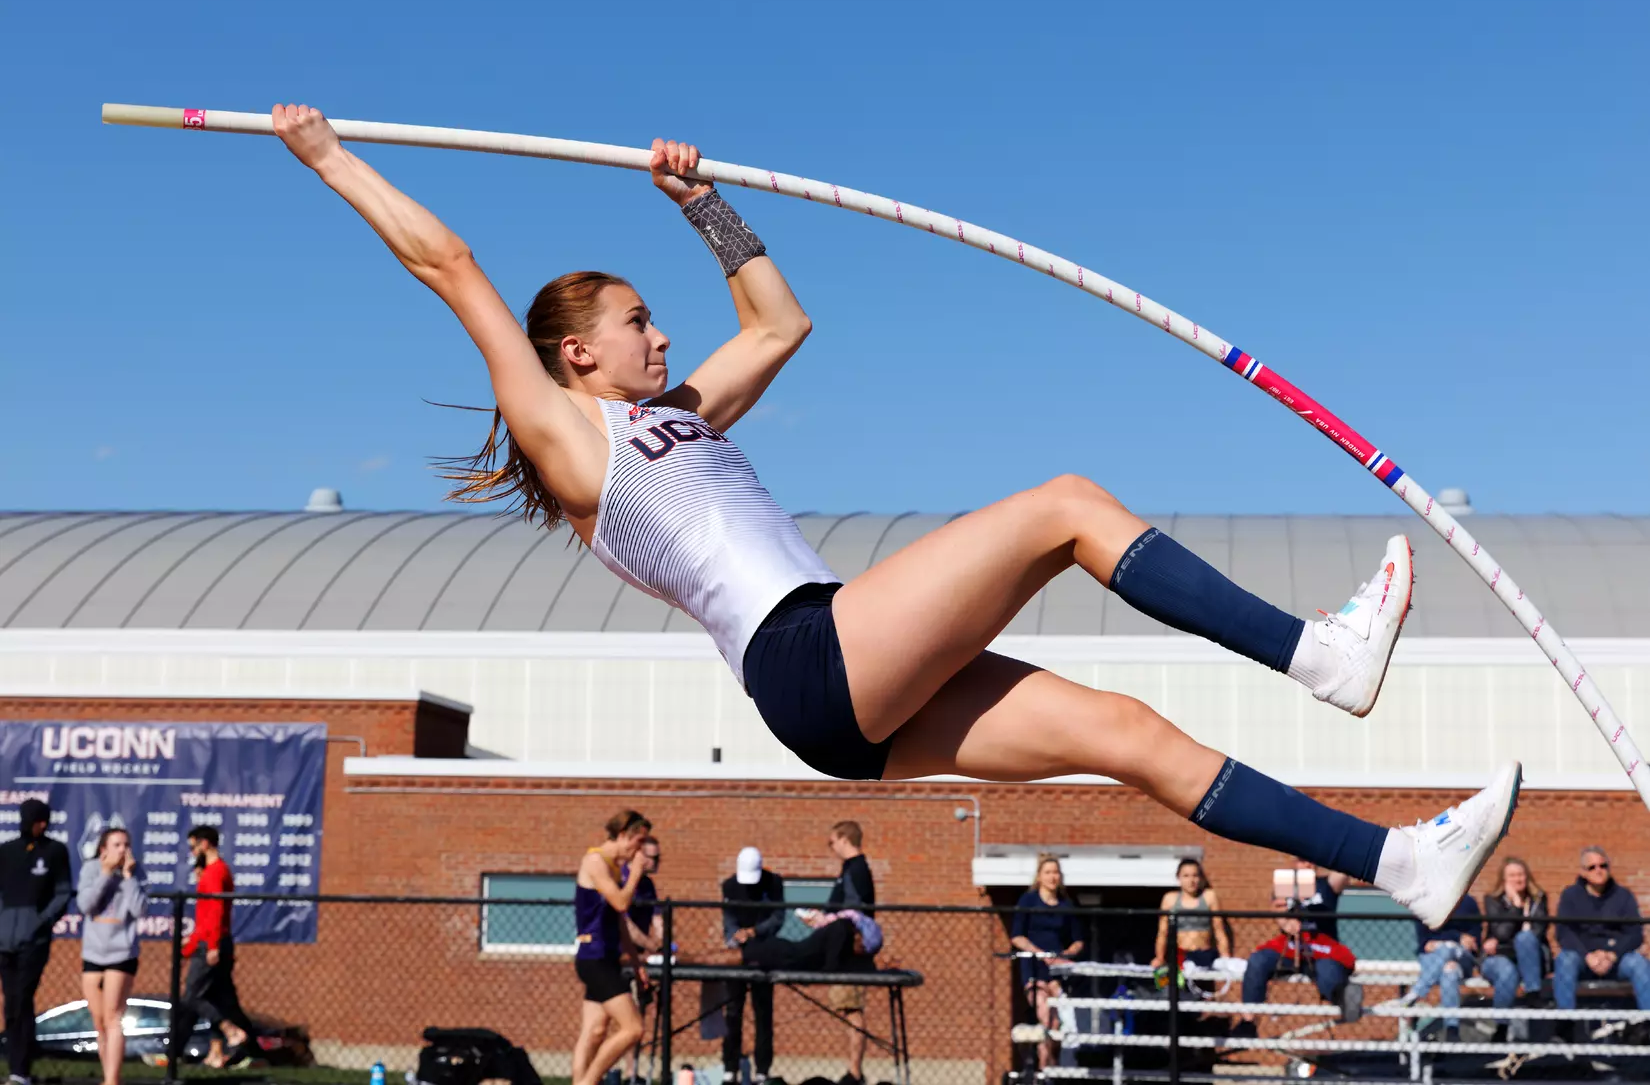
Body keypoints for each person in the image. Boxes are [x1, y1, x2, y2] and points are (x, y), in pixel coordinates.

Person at [265, 103, 1519, 933]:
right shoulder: (573, 438)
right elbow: (452, 264)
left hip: (836, 695)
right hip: (805, 651)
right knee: (1065, 507)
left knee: (1129, 732)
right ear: (577, 353)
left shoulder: (683, 417)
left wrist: (700, 209)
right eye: (636, 320)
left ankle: (1398, 864)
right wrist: (326, 157)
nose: (658, 334)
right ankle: (1323, 654)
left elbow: (779, 323)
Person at [571, 811, 652, 1085]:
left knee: (594, 1031)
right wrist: (636, 875)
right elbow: (620, 902)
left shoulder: (615, 868)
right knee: (633, 1028)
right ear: (622, 835)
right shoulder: (596, 861)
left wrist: (636, 963)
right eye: (638, 842)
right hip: (592, 957)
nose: (639, 850)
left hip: (607, 957)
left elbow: (619, 922)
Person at [171, 826, 258, 1069]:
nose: (192, 852)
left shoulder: (217, 872)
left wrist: (212, 946)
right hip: (209, 940)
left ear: (205, 844)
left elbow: (217, 912)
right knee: (220, 998)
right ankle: (219, 1051)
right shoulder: (209, 872)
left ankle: (230, 1030)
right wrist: (190, 944)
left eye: (193, 846)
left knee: (193, 996)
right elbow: (205, 915)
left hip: (213, 943)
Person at [0, 799, 71, 1085]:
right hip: (5, 942)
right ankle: (17, 1065)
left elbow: (62, 893)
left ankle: (21, 1068)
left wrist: (40, 922)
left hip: (34, 942)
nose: (41, 825)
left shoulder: (55, 851)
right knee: (11, 1002)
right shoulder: (6, 851)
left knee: (22, 998)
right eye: (37, 820)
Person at [1552, 846, 1650, 1038]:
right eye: (1592, 867)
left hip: (1616, 959)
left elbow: (1634, 933)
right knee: (1565, 960)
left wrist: (1612, 954)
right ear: (1583, 872)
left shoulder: (1623, 896)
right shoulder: (1570, 896)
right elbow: (1564, 933)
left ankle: (1647, 1021)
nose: (1598, 870)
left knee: (1638, 963)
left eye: (1603, 865)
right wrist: (1588, 956)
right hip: (1583, 959)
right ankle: (1565, 1024)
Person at [1231, 898, 1359, 1040]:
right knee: (1258, 960)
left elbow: (1348, 960)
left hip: (1317, 948)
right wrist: (1285, 919)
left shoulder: (1321, 893)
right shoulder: (1285, 885)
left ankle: (1345, 999)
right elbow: (1276, 907)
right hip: (1290, 947)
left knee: (1328, 969)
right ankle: (1248, 1022)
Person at [78, 828, 147, 1085]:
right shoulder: (92, 870)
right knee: (99, 1021)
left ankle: (112, 1080)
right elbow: (86, 905)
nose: (123, 850)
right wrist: (106, 874)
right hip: (94, 952)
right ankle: (107, 1074)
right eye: (117, 844)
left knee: (113, 1015)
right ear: (103, 848)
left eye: (126, 844)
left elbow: (140, 910)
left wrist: (128, 877)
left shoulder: (136, 871)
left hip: (122, 952)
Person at [1009, 856, 1084, 1070]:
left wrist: (1065, 955)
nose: (1052, 877)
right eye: (1048, 872)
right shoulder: (1028, 901)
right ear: (1040, 876)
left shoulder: (1066, 905)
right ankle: (1044, 1070)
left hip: (1056, 971)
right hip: (1034, 968)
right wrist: (1040, 954)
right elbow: (1017, 937)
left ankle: (1052, 1065)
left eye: (1056, 872)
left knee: (1058, 1024)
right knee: (1046, 1017)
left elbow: (1078, 941)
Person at [721, 847, 786, 1085]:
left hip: (763, 953)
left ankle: (762, 1070)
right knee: (733, 1013)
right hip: (737, 954)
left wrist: (756, 932)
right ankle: (729, 1068)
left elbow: (778, 917)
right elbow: (727, 918)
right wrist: (735, 936)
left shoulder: (774, 883)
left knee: (763, 1012)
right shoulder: (729, 886)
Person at [816, 823, 875, 1085]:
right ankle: (853, 1071)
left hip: (850, 953)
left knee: (852, 1009)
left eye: (832, 842)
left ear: (844, 839)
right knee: (846, 1008)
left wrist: (827, 920)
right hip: (841, 948)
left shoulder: (857, 869)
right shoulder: (850, 870)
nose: (831, 848)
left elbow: (854, 912)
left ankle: (854, 1073)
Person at [1480, 856, 1550, 1038]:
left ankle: (1533, 993)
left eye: (1521, 875)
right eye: (1512, 876)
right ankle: (1501, 1027)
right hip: (1497, 960)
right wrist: (1517, 907)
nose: (1518, 879)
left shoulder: (1538, 899)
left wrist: (1503, 945)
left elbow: (1537, 933)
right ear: (1504, 880)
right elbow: (1501, 932)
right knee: (1507, 971)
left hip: (1530, 960)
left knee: (1525, 938)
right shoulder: (1493, 900)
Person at [1408, 895, 1481, 1043]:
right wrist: (1457, 937)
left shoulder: (1468, 902)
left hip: (1462, 958)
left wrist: (1445, 940)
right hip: (1432, 957)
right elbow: (1425, 942)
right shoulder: (1424, 901)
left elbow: (1473, 941)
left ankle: (1415, 994)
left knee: (1448, 952)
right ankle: (1452, 1029)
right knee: (1449, 968)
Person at [621, 836, 663, 1085]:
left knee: (638, 1017)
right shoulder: (623, 880)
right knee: (621, 1019)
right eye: (652, 856)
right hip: (618, 957)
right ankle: (613, 1073)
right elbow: (623, 923)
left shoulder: (648, 885)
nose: (657, 861)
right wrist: (651, 945)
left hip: (641, 957)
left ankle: (631, 1073)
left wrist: (662, 941)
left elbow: (657, 918)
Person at [1151, 858, 1231, 972]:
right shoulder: (1170, 899)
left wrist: (1225, 957)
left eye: (1195, 875)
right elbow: (1162, 933)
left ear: (1200, 878)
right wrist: (1159, 958)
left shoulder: (1209, 897)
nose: (1191, 880)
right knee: (1175, 985)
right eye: (1186, 876)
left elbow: (1219, 930)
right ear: (1179, 878)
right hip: (1180, 955)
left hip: (1205, 955)